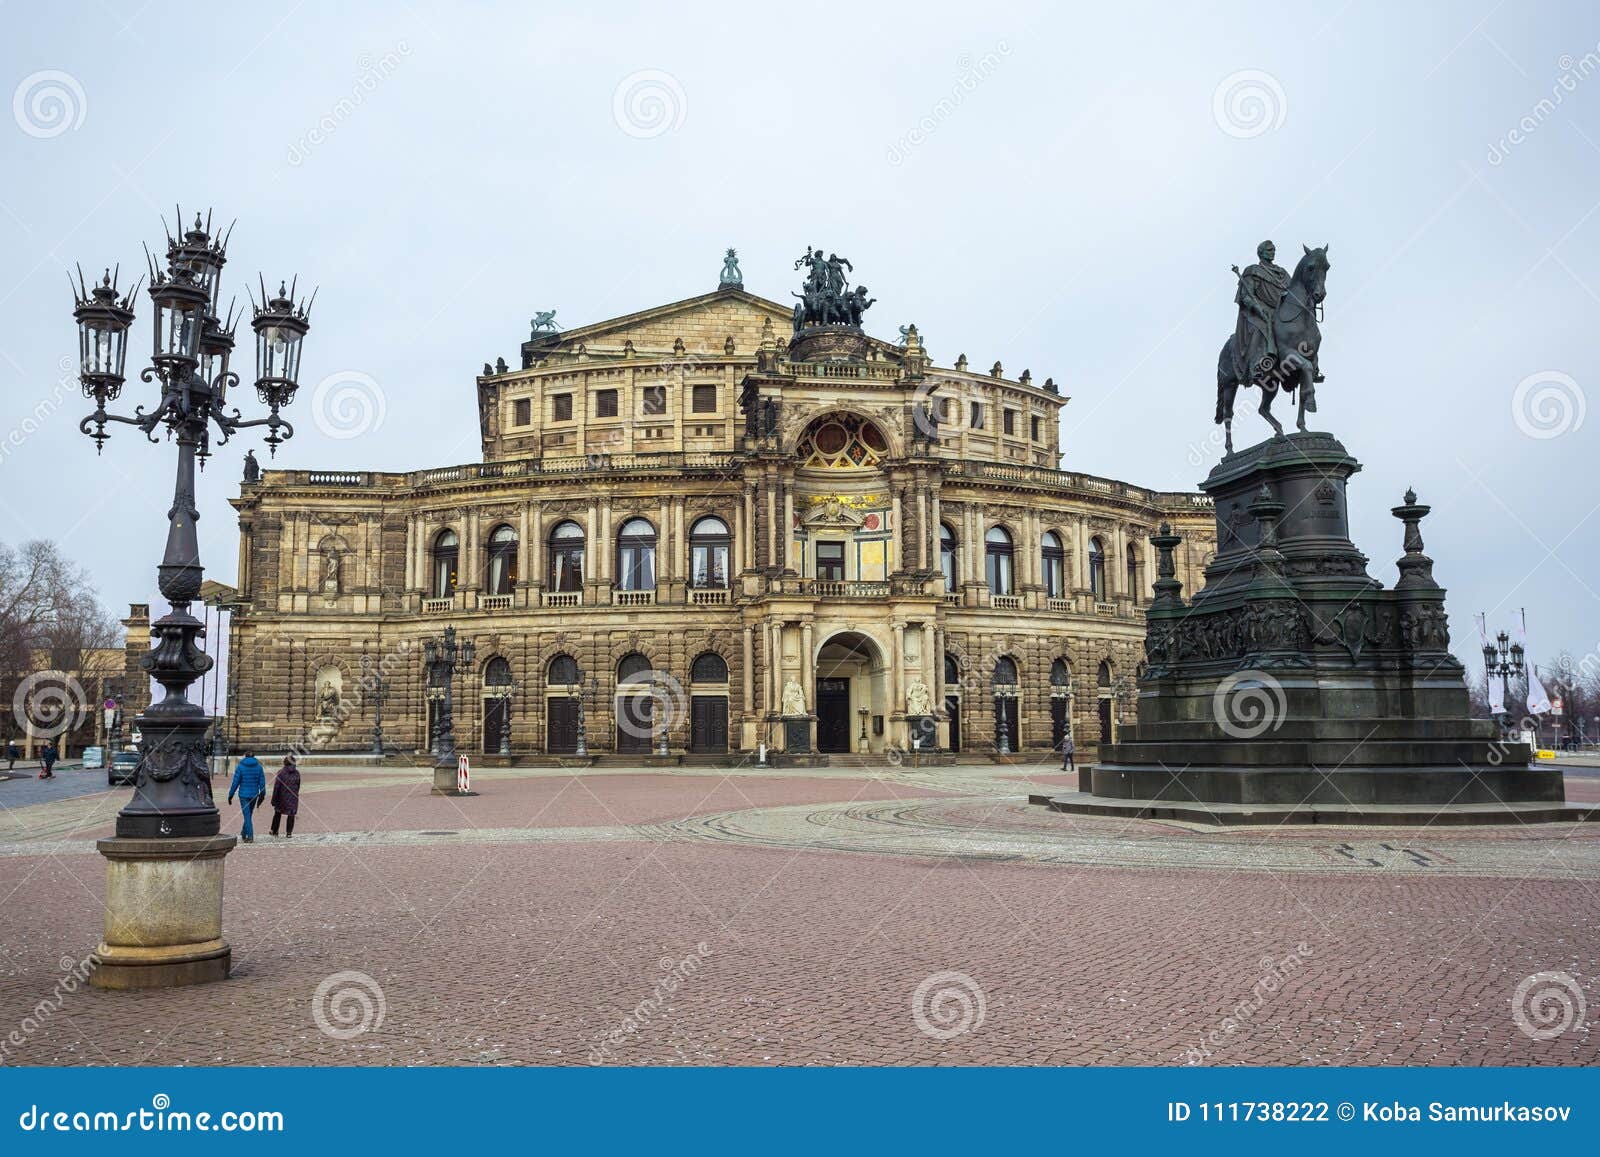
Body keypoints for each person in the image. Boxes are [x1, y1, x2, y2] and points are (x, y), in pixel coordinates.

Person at [227, 751, 266, 843]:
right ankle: (244, 833)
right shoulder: (259, 767)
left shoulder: (240, 767)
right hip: (254, 794)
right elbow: (262, 784)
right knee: (248, 815)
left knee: (247, 816)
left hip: (243, 795)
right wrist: (262, 795)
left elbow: (235, 782)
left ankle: (250, 836)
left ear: (245, 756)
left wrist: (230, 795)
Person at [269, 754, 301, 838]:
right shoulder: (297, 773)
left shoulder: (281, 772)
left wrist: (274, 799)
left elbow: (276, 787)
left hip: (281, 797)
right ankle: (289, 833)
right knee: (291, 814)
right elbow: (298, 785)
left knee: (277, 813)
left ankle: (275, 831)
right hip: (293, 796)